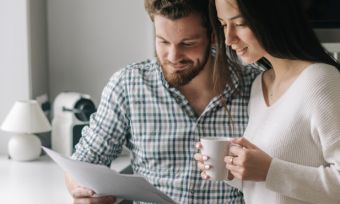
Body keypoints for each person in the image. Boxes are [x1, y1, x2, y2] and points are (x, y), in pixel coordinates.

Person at [65, 0, 261, 203]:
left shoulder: (255, 87)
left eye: (188, 44)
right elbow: (83, 163)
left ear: (213, 37)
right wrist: (82, 192)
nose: (173, 56)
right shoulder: (128, 85)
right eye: (163, 42)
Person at [195, 0, 340, 203]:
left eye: (240, 23)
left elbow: (273, 174)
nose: (228, 39)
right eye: (224, 25)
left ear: (272, 18)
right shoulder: (260, 84)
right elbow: (271, 186)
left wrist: (270, 171)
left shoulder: (321, 80)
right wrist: (233, 171)